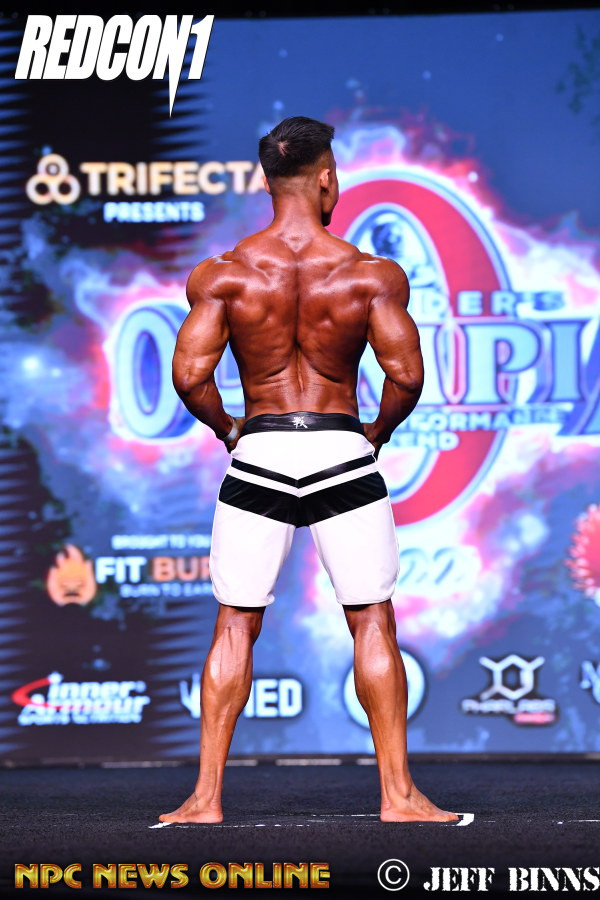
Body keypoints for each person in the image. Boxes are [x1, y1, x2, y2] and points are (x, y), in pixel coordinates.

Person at [160, 116, 457, 825]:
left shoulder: (223, 274)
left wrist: (231, 429)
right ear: (327, 178)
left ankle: (205, 799)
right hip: (338, 448)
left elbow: (189, 375)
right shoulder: (369, 275)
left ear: (267, 182)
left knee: (235, 622)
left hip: (261, 449)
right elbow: (407, 376)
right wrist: (377, 432)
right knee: (371, 617)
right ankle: (398, 797)